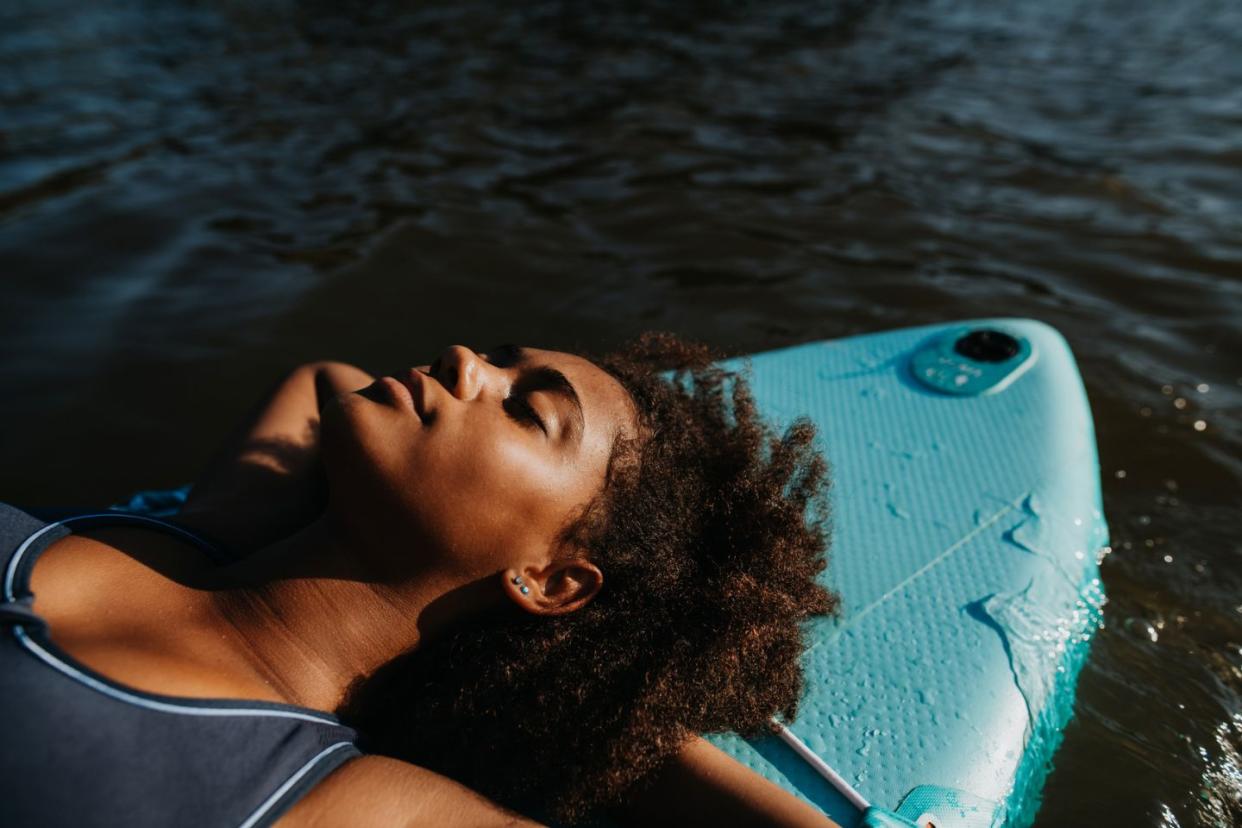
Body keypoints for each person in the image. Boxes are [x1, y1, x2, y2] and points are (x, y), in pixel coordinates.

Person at [0, 334, 840, 827]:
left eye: (527, 410)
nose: (464, 357)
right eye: (501, 358)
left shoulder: (340, 797)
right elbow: (323, 381)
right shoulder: (199, 530)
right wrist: (243, 528)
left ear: (548, 583)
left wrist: (612, 729)